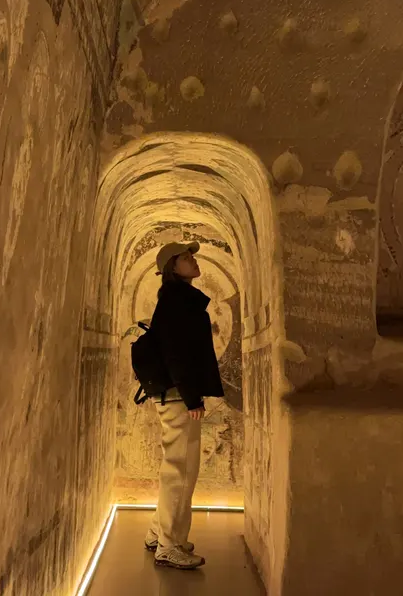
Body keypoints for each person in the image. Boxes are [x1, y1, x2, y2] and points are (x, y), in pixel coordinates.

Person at [144, 241, 225, 570]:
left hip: (176, 393)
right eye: (186, 257)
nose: (193, 260)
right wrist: (192, 397)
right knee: (181, 472)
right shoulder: (177, 301)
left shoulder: (176, 299)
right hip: (178, 395)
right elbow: (177, 354)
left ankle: (158, 532)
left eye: (192, 256)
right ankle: (169, 545)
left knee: (176, 469)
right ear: (172, 268)